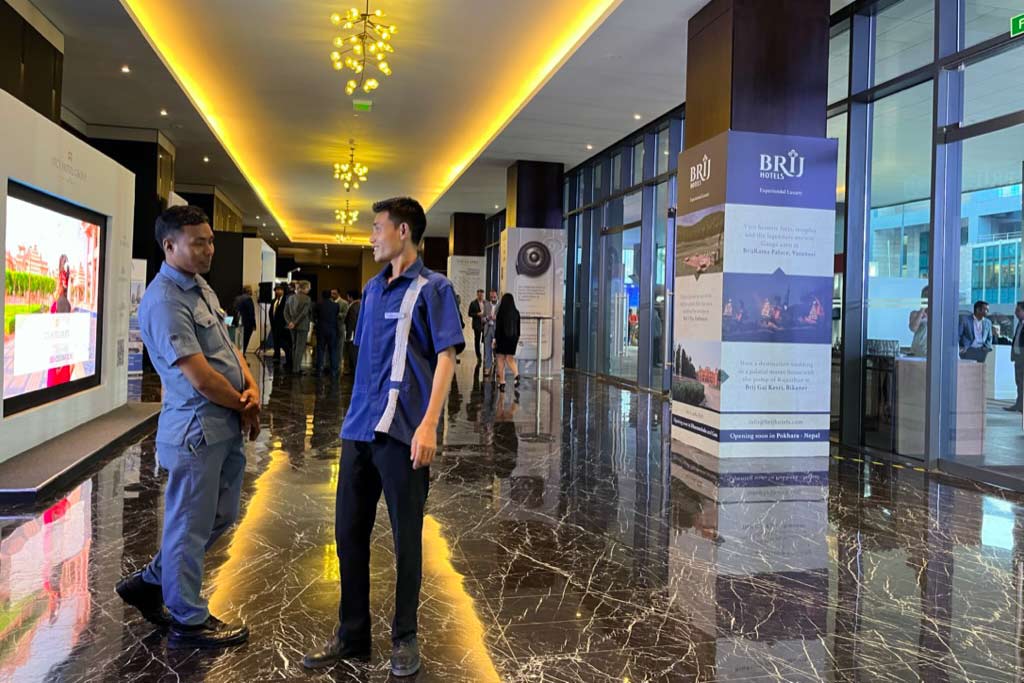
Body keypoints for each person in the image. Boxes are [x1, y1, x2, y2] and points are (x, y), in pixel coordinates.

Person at [304, 197, 463, 678]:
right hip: (358, 431)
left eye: (377, 228)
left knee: (406, 538)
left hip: (404, 433)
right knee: (348, 535)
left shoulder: (435, 289)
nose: (371, 236)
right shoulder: (371, 291)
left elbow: (446, 359)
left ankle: (405, 636)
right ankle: (352, 634)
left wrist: (430, 423)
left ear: (404, 232)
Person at [116, 205, 260, 650]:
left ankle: (151, 582)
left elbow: (228, 347)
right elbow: (198, 375)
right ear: (169, 245)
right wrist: (241, 402)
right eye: (199, 242)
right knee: (188, 526)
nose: (209, 249)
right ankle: (187, 618)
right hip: (196, 431)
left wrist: (250, 385)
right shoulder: (163, 300)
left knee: (220, 517)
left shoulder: (200, 289)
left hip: (225, 425)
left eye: (211, 240)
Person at [494, 292, 521, 392]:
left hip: (502, 338)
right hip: (513, 339)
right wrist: (516, 339)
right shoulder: (516, 312)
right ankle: (516, 374)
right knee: (510, 358)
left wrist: (495, 340)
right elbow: (518, 329)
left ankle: (502, 382)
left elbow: (498, 329)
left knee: (500, 359)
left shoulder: (501, 312)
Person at [285, 281, 312, 373]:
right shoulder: (307, 299)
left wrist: (290, 323)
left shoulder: (290, 298)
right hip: (302, 326)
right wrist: (295, 323)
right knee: (300, 348)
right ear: (304, 288)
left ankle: (294, 367)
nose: (309, 289)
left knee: (294, 346)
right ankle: (296, 369)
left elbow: (285, 312)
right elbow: (304, 313)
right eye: (308, 288)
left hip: (291, 326)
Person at [314, 289, 341, 377]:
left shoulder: (318, 305)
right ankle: (334, 371)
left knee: (320, 350)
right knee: (333, 350)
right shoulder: (336, 305)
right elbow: (336, 316)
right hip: (332, 330)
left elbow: (315, 316)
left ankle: (319, 370)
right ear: (330, 296)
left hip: (321, 330)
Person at [1007, 301, 1024, 412]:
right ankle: (1019, 405)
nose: (1015, 313)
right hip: (1018, 358)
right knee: (1019, 383)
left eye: (1018, 310)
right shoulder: (1020, 323)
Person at [271, 284, 291, 367]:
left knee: (285, 345)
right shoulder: (274, 300)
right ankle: (276, 357)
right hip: (275, 325)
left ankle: (289, 361)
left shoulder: (286, 300)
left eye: (280, 290)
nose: (278, 291)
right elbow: (271, 312)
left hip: (283, 326)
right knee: (276, 342)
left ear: (283, 291)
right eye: (276, 290)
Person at [232, 285, 257, 353]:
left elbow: (233, 310)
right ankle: (243, 356)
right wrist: (254, 324)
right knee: (245, 341)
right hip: (247, 324)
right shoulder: (248, 299)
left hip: (237, 323)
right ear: (249, 291)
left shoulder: (237, 298)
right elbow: (251, 313)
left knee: (238, 341)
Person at [343, 289, 361, 375]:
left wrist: (348, 335)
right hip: (360, 333)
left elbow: (351, 322)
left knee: (353, 353)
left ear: (350, 297)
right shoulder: (362, 304)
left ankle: (353, 370)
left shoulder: (353, 307)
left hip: (353, 333)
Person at [909, 286, 929, 357]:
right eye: (925, 296)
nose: (927, 298)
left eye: (929, 296)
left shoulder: (937, 316)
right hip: (917, 352)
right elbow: (913, 328)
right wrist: (922, 310)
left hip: (929, 353)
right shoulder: (915, 313)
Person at [483, 289, 498, 376]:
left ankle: (498, 368)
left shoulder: (500, 305)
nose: (492, 298)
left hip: (497, 330)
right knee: (487, 350)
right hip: (487, 330)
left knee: (497, 351)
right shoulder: (486, 304)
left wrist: (497, 318)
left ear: (497, 295)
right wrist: (487, 318)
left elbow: (503, 318)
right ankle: (488, 368)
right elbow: (482, 318)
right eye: (491, 297)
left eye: (494, 296)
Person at [468, 289, 486, 362]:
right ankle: (478, 356)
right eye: (479, 294)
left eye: (482, 295)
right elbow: (469, 314)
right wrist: (477, 314)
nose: (480, 296)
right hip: (477, 325)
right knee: (477, 340)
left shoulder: (486, 303)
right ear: (477, 294)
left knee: (485, 340)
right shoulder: (473, 303)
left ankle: (486, 355)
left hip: (485, 324)